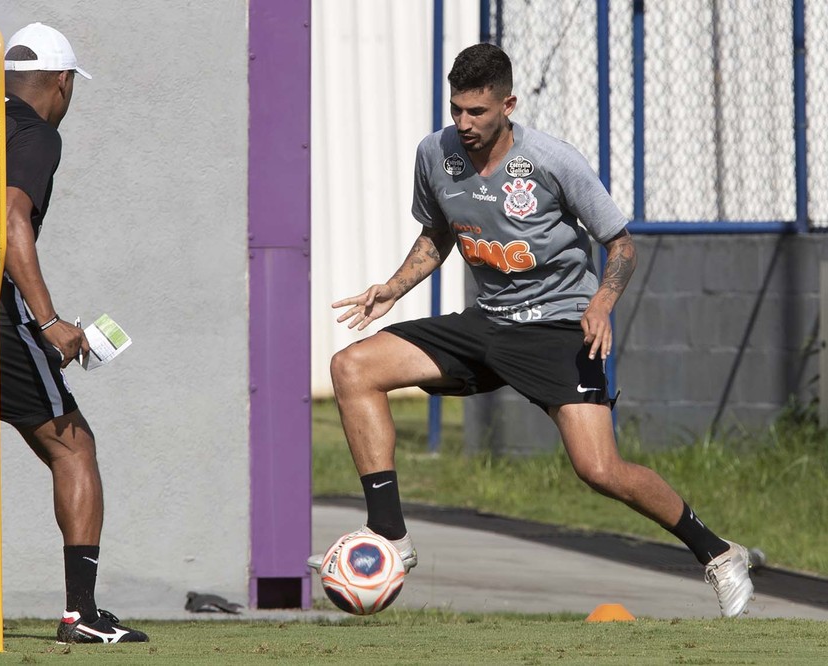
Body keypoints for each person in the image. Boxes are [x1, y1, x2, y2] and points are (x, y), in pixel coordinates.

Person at [309, 43, 754, 618]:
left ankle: (719, 553)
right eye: (456, 109)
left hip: (558, 327)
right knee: (353, 367)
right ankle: (391, 535)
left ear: (508, 105)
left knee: (599, 469)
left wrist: (602, 303)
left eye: (477, 111)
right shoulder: (435, 154)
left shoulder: (551, 160)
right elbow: (438, 234)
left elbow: (620, 243)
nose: (464, 123)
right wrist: (394, 287)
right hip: (488, 321)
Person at [0, 23, 147, 643]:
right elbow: (10, 220)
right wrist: (50, 320)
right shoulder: (36, 135)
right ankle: (81, 615)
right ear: (62, 82)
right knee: (74, 447)